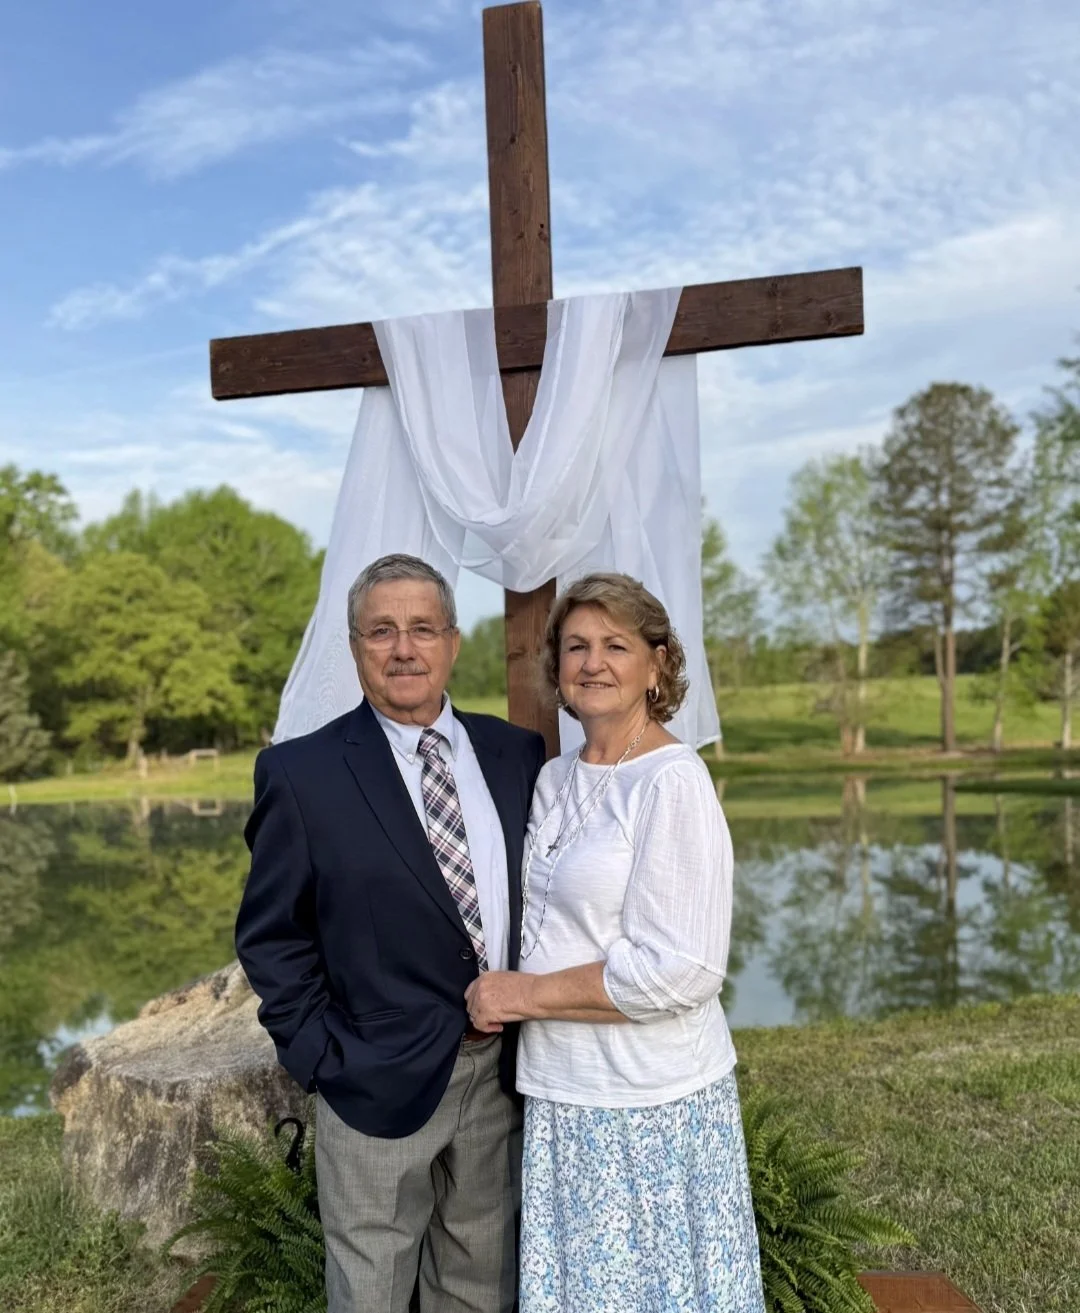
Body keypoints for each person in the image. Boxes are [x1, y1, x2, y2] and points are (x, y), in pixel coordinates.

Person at [236, 553, 546, 1313]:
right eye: (382, 630)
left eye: (421, 628)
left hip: (502, 1077)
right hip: (371, 1083)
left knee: (481, 1288)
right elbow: (272, 936)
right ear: (354, 647)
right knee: (370, 1293)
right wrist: (322, 1057)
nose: (403, 648)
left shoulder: (516, 755)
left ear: (451, 640)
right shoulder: (301, 774)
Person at [466, 572, 765, 1313]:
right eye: (576, 646)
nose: (593, 662)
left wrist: (523, 994)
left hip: (649, 1102)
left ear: (657, 664)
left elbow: (681, 970)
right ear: (557, 669)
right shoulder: (555, 778)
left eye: (616, 644)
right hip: (564, 1090)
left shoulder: (672, 780)